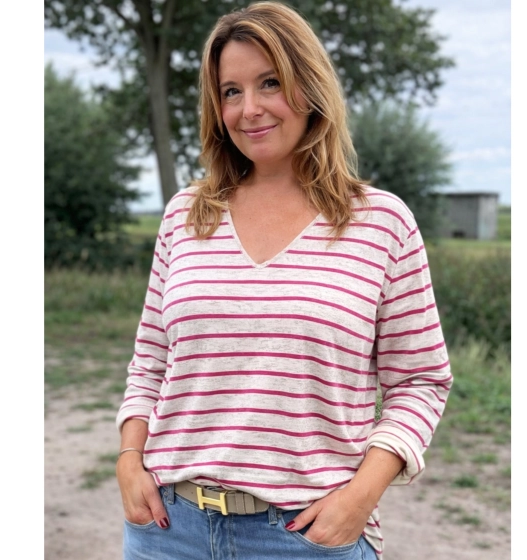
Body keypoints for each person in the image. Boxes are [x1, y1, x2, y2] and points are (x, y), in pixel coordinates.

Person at [115, 2, 453, 559]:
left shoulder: (381, 222)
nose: (249, 108)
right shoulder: (186, 215)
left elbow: (420, 380)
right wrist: (130, 459)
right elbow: (151, 359)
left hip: (304, 538)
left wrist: (361, 497)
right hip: (168, 531)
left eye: (270, 82)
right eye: (231, 91)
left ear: (310, 86)